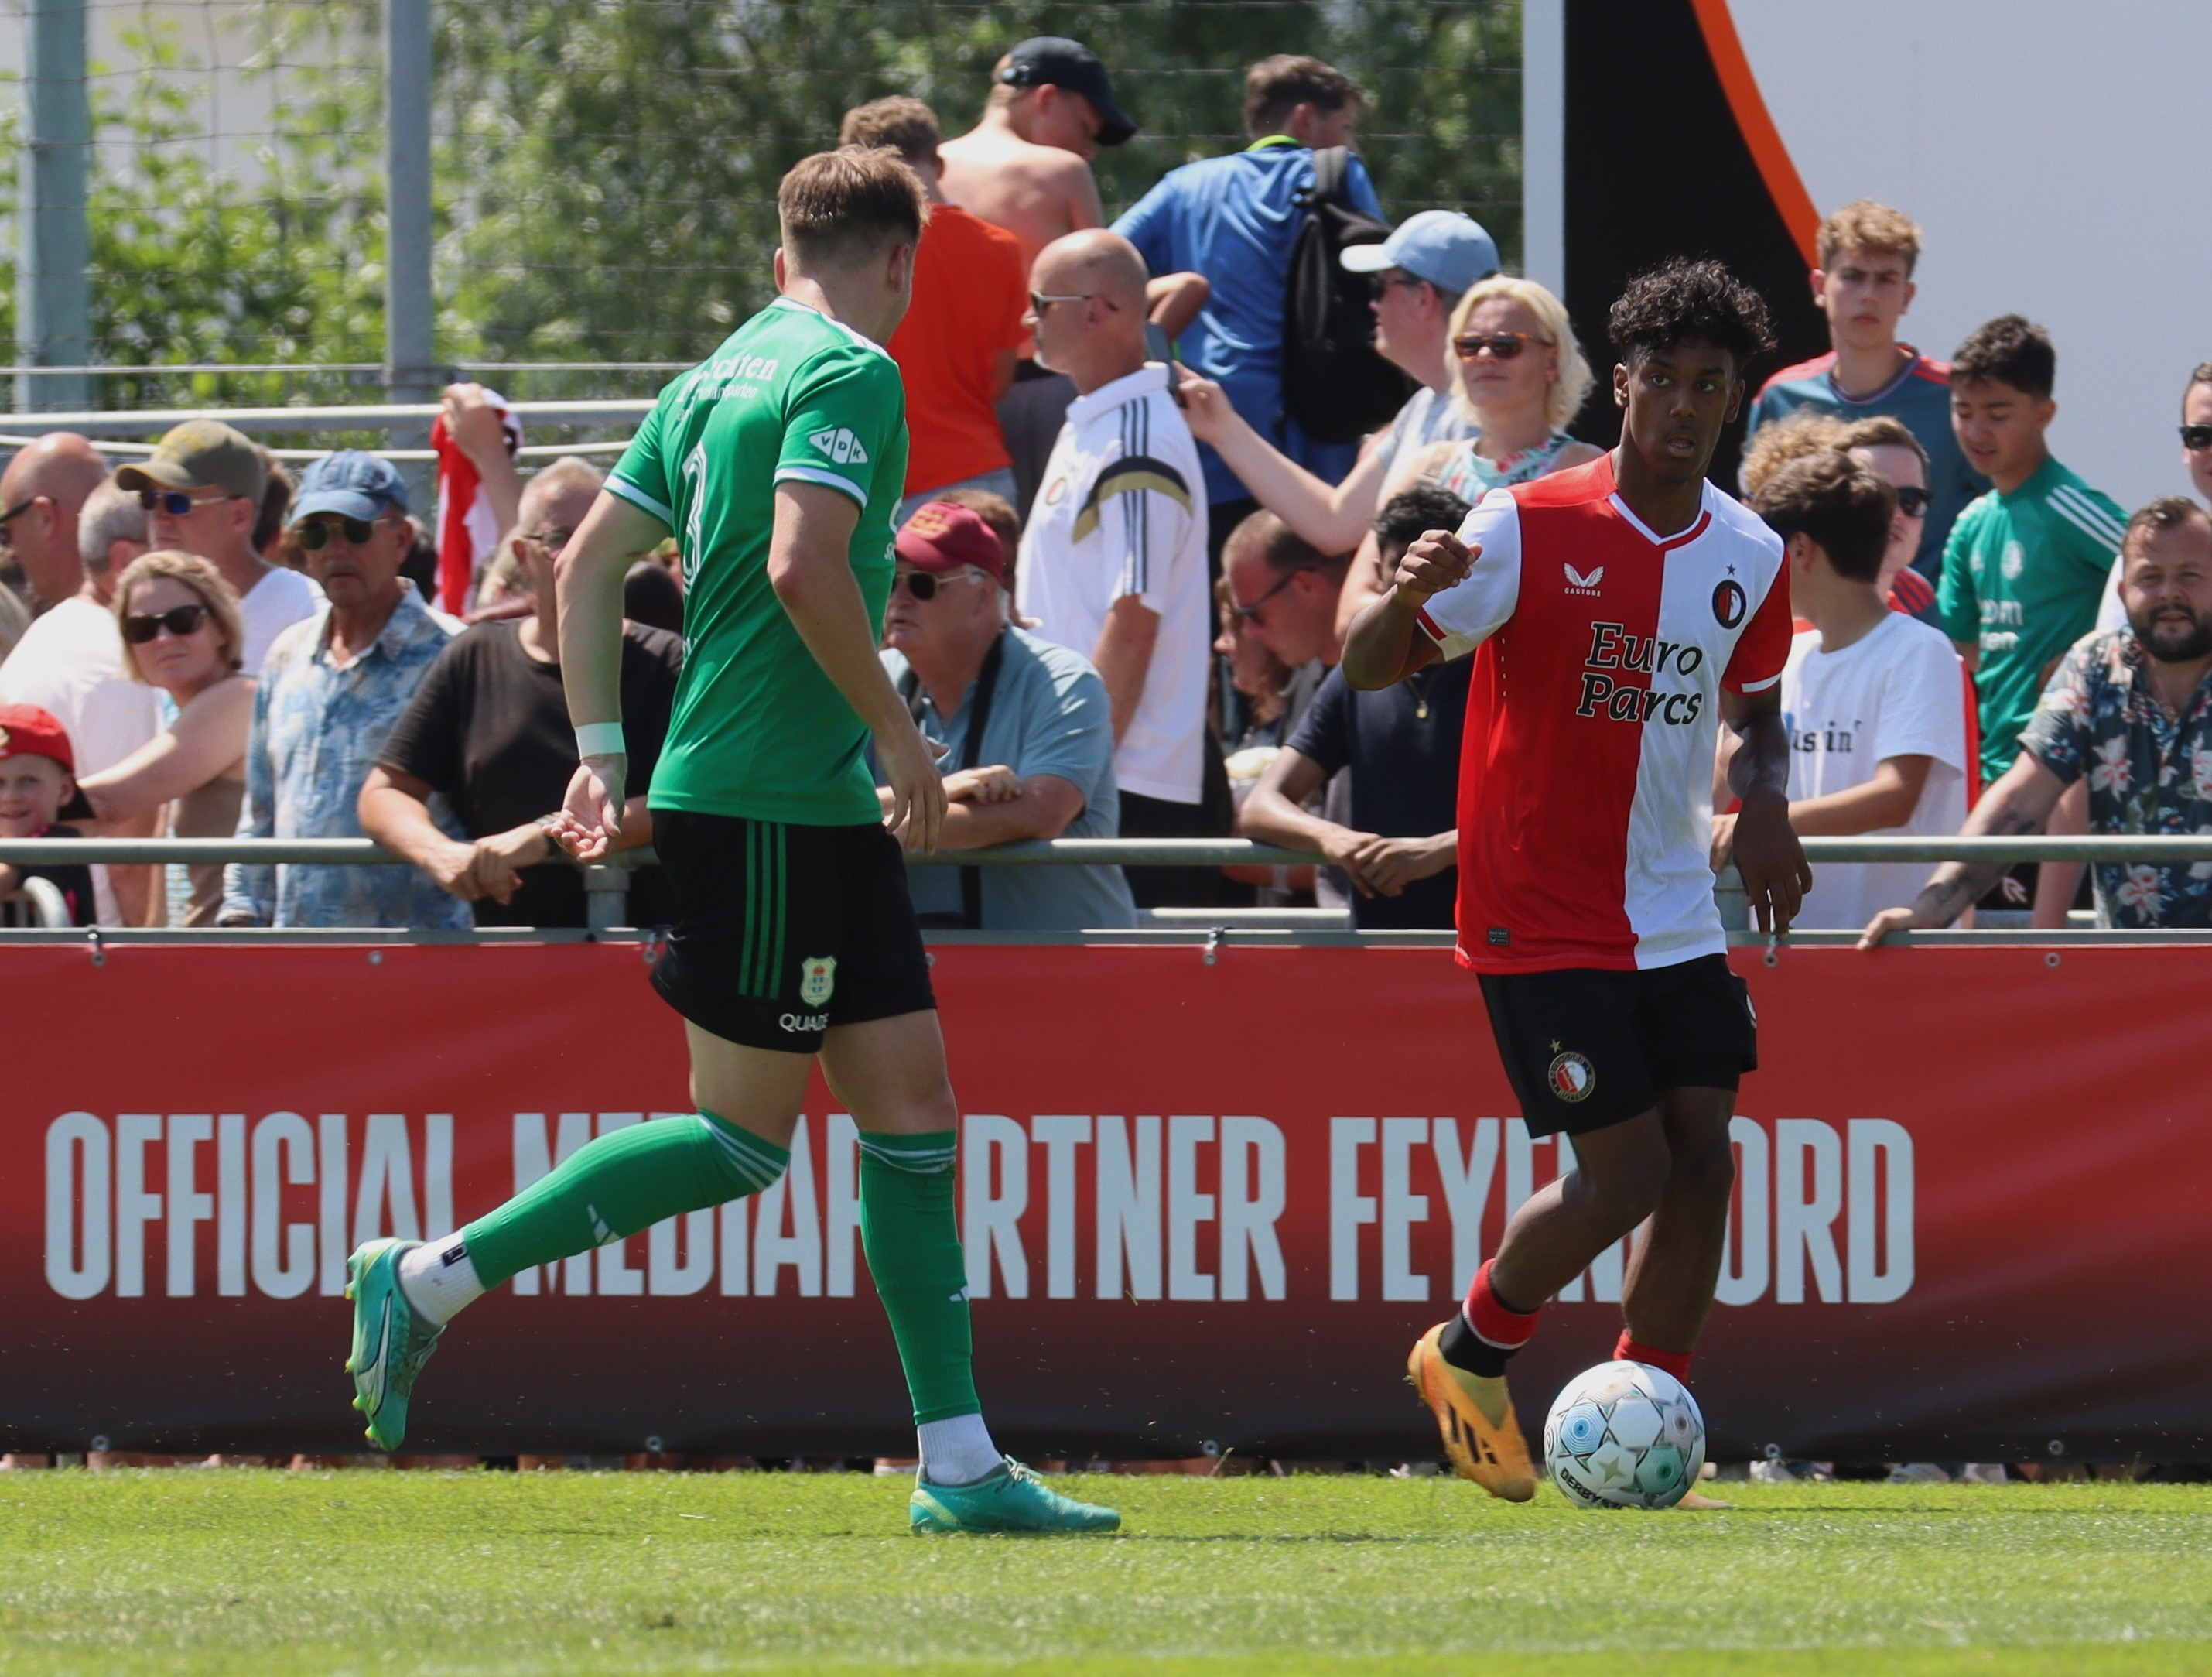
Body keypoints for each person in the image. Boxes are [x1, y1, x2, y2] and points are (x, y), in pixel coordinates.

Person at [342, 149, 1116, 1535]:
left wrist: (596, 754)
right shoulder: (850, 371)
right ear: (900, 264)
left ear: (779, 256)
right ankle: (429, 1277)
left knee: (915, 1120)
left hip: (785, 802)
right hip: (769, 800)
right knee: (743, 1141)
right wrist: (896, 734)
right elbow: (803, 567)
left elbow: (580, 568)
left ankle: (956, 1465)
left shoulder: (709, 377)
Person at [1342, 258, 1803, 1504]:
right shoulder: (1525, 521)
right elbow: (1371, 668)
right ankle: (1467, 1350)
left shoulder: (1748, 550)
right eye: (1661, 379)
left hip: (1667, 906)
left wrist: (1761, 798)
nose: (1683, 405)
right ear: (1625, 387)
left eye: (1710, 385)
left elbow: (1756, 707)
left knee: (1703, 1161)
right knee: (1628, 1171)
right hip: (1536, 910)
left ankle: (1645, 1404)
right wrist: (1402, 593)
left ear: (1731, 400)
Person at [1863, 498, 2212, 940]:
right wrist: (1929, 909)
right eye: (2150, 577)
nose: (2169, 593)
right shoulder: (2095, 666)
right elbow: (2019, 801)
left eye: (2190, 575)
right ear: (2124, 594)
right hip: (2131, 979)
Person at [362, 458, 682, 929]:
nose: (581, 551)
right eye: (558, 538)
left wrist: (545, 837)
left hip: (639, 959)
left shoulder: (667, 661)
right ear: (520, 553)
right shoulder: (474, 657)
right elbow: (385, 792)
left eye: (597, 534)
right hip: (505, 970)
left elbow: (686, 798)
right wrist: (440, 855)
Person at [1014, 230, 1212, 908]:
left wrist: (1074, 775)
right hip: (1098, 776)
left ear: (1096, 311)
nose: (1026, 318)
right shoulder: (1101, 423)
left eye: (1040, 302)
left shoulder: (1136, 436)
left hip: (1121, 784)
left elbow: (1133, 622)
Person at [1116, 55, 1381, 552]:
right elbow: (1381, 274)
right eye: (1344, 127)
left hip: (1211, 423)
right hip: (1318, 436)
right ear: (1305, 119)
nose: (1351, 144)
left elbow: (1100, 263)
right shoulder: (1340, 174)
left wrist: (1161, 320)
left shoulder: (1184, 186)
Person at [218, 452, 468, 930]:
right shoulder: (286, 655)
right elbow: (261, 813)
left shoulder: (456, 655)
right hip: (300, 962)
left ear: (400, 539)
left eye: (353, 530)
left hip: (423, 957)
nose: (334, 550)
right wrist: (242, 914)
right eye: (315, 534)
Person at [1718, 452, 1967, 930]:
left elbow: (1896, 796)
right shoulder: (1784, 657)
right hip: (1790, 951)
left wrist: (1755, 824)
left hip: (1887, 950)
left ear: (1800, 551)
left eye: (1765, 550)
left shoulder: (1919, 650)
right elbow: (1720, 767)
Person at [1177, 210, 1499, 557]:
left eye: (1380, 285)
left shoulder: (1484, 416)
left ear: (1423, 297)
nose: (1372, 303)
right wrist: (1221, 428)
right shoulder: (1423, 407)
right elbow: (1334, 521)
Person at [877, 499, 1134, 931]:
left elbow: (1040, 813)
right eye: (890, 581)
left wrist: (879, 835)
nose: (899, 600)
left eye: (921, 584)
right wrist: (948, 790)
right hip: (924, 971)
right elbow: (819, 802)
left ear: (981, 597)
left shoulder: (1064, 679)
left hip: (1065, 971)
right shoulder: (874, 680)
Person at [1239, 487, 1472, 929]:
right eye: (1405, 567)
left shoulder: (1504, 668)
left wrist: (1437, 852)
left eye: (1436, 566)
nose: (1421, 582)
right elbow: (1261, 807)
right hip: (1374, 946)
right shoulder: (1353, 680)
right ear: (1378, 574)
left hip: (1483, 943)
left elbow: (1549, 814)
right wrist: (1336, 841)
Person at [1336, 276, 1603, 637]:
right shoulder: (1426, 467)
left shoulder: (1584, 469)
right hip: (1424, 683)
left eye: (1506, 345)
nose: (1484, 357)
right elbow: (1352, 610)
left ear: (1552, 361)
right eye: (1469, 345)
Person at [941, 37, 1137, 522]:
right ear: (1046, 99)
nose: (1088, 150)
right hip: (1053, 395)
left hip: (947, 407)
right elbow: (1105, 284)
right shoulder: (1062, 172)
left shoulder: (929, 169)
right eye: (1085, 127)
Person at [1743, 201, 1982, 585]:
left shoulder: (1954, 398)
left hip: (1929, 626)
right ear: (1820, 287)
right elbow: (1757, 522)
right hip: (1813, 623)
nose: (1869, 295)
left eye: (1886, 279)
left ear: (1907, 296)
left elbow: (2001, 511)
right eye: (1853, 276)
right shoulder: (1781, 396)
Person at [1939, 315, 2124, 793]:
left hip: (2070, 778)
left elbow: (2175, 586)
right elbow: (1968, 650)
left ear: (2045, 413)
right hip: (1991, 772)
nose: (1977, 431)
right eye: (1963, 411)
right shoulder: (1971, 524)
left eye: (1998, 414)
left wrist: (2089, 658)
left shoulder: (2071, 506)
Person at [838, 98, 1029, 525]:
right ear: (939, 164)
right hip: (978, 475)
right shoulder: (1000, 248)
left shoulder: (853, 256)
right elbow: (999, 380)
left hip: (879, 478)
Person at [0, 480, 161, 923]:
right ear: (127, 561)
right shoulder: (118, 662)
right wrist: (147, 958)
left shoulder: (46, 635)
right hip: (94, 951)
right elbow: (129, 855)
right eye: (166, 552)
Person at [71, 552, 255, 926]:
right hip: (195, 951)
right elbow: (164, 857)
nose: (163, 639)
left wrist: (18, 805)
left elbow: (108, 803)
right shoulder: (178, 713)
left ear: (220, 627)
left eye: (182, 620)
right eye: (142, 629)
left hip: (239, 955)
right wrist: (154, 946)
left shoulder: (241, 699)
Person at [116, 421, 323, 674]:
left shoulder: (304, 611)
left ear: (240, 515)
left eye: (178, 502)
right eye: (149, 499)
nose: (159, 517)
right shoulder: (149, 616)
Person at [0, 703, 94, 925]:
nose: (9, 797)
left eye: (28, 781)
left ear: (64, 790)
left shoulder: (61, 844)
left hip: (61, 961)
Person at [0, 432, 111, 611]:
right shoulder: (154, 614)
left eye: (7, 533)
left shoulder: (58, 633)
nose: (11, 553)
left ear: (46, 518)